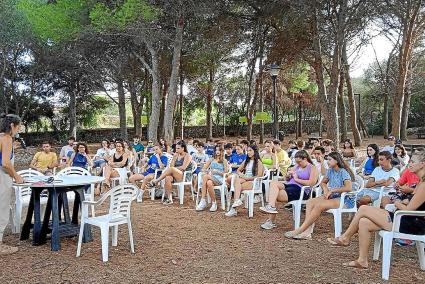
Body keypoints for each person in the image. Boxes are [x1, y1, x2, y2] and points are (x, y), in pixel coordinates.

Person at [326, 150, 425, 269]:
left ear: (422, 164)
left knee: (363, 208)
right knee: (364, 223)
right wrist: (403, 202)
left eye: (413, 162)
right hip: (403, 217)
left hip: (411, 223)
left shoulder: (424, 185)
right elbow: (412, 202)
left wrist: (398, 203)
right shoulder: (421, 182)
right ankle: (362, 260)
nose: (410, 164)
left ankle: (345, 238)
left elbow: (409, 209)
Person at [283, 152, 355, 239]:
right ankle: (307, 232)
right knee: (310, 202)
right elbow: (323, 183)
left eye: (329, 160)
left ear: (336, 161)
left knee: (319, 206)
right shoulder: (330, 171)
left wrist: (332, 190)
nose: (327, 162)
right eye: (327, 160)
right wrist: (325, 190)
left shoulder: (343, 172)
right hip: (332, 196)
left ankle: (300, 230)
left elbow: (348, 188)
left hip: (345, 198)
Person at [258, 150, 319, 229]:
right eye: (296, 162)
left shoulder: (312, 168)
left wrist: (297, 179)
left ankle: (270, 220)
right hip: (289, 185)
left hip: (300, 190)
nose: (298, 164)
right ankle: (271, 207)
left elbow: (312, 183)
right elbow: (286, 179)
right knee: (273, 184)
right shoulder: (297, 166)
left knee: (274, 195)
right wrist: (287, 176)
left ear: (305, 159)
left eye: (300, 161)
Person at [0, 114, 23, 255]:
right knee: (2, 210)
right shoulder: (7, 138)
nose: (18, 130)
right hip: (2, 178)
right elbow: (6, 163)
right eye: (18, 126)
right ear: (11, 126)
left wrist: (12, 147)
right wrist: (17, 176)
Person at [225, 145, 265, 217]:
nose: (248, 152)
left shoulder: (258, 162)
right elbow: (238, 170)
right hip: (245, 179)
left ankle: (233, 209)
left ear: (255, 152)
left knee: (236, 187)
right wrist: (242, 175)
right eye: (247, 151)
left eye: (250, 150)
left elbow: (259, 176)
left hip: (253, 182)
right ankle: (236, 202)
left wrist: (247, 178)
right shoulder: (247, 160)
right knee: (236, 179)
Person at [148, 141, 193, 205]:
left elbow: (183, 167)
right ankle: (170, 199)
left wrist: (173, 169)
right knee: (168, 178)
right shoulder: (176, 155)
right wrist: (174, 158)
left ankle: (156, 181)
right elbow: (171, 166)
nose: (176, 150)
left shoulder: (187, 155)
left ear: (183, 148)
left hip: (185, 176)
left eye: (178, 148)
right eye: (176, 148)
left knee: (171, 169)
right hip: (176, 175)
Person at [196, 146, 229, 212]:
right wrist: (209, 171)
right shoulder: (211, 159)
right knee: (209, 183)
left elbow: (226, 173)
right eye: (216, 150)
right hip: (211, 178)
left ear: (222, 151)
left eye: (219, 150)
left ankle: (203, 200)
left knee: (205, 177)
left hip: (220, 180)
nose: (217, 151)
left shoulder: (224, 161)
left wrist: (218, 172)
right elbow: (203, 169)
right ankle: (214, 203)